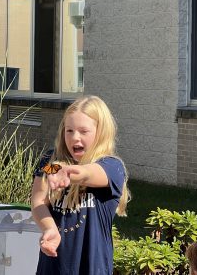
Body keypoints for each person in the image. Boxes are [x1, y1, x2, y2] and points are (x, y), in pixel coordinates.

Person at [31, 95, 130, 275]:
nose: (75, 138)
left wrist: (67, 171)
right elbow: (38, 202)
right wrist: (49, 228)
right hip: (51, 267)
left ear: (101, 132)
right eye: (69, 131)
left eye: (83, 131)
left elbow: (86, 174)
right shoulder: (49, 161)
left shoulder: (112, 167)